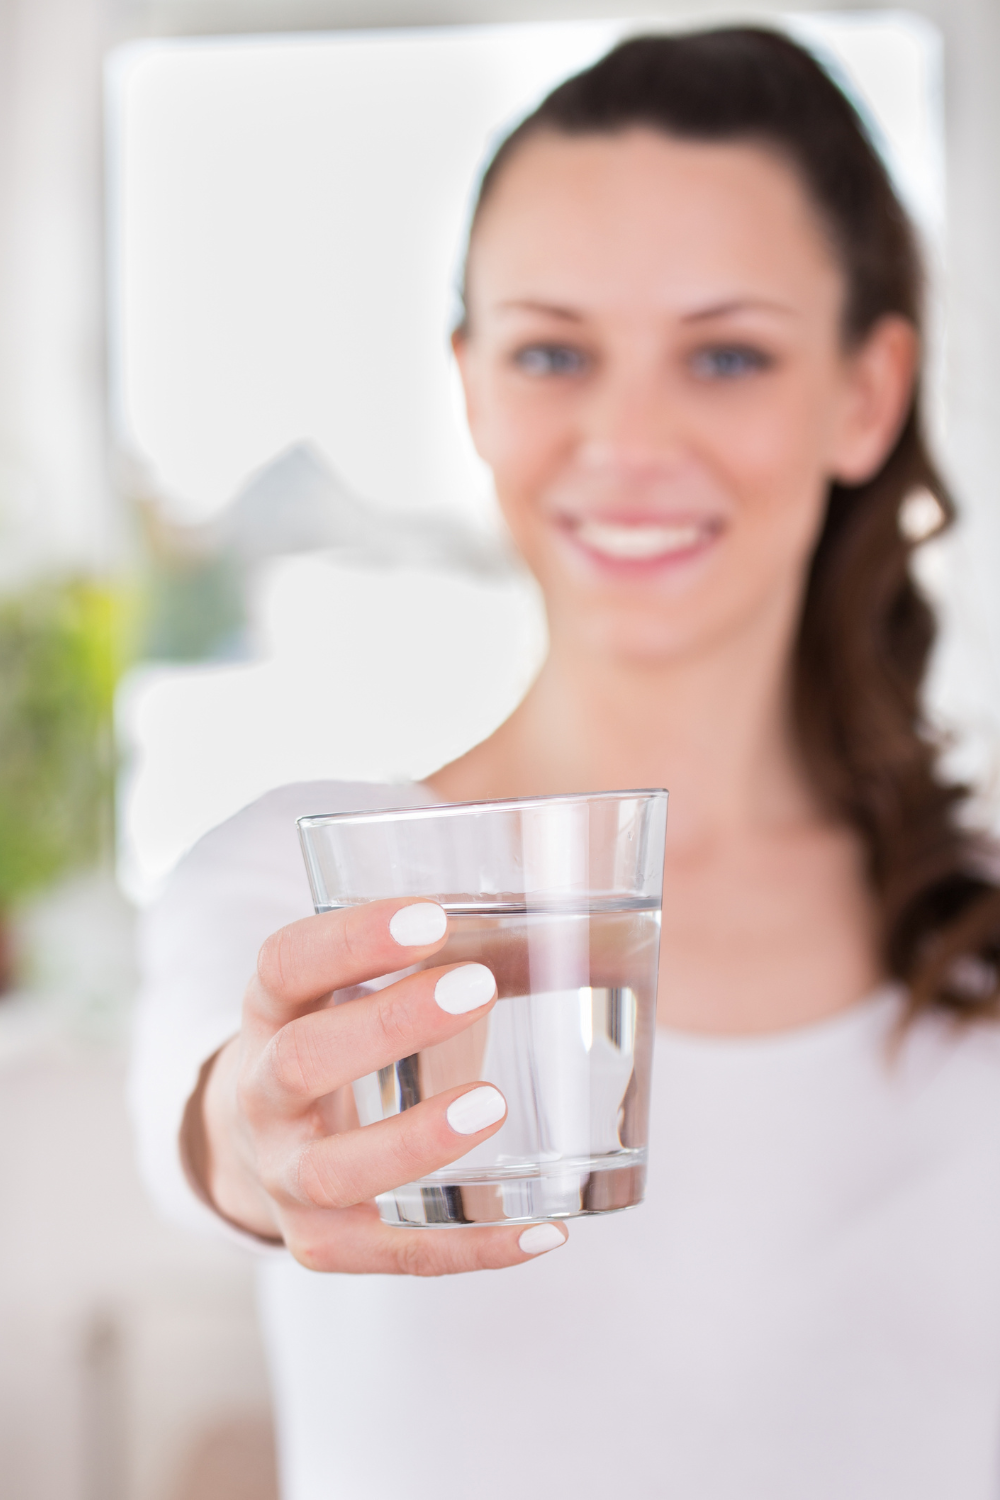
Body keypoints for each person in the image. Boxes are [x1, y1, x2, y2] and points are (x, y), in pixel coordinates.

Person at [131, 27, 1000, 1500]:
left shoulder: (973, 923)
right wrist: (255, 1131)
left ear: (868, 393)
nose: (629, 439)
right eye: (553, 352)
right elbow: (216, 1130)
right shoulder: (317, 883)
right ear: (470, 389)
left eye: (726, 355)